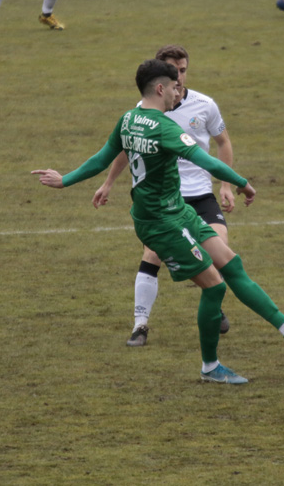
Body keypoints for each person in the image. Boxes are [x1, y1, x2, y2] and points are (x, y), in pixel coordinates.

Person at [33, 60, 284, 385]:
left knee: (231, 263)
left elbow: (101, 158)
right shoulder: (165, 128)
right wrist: (243, 183)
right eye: (176, 87)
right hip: (162, 224)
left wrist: (65, 180)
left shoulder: (128, 119)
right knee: (215, 287)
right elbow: (207, 161)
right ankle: (210, 367)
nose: (179, 92)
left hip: (178, 211)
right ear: (161, 88)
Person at [92, 45, 235, 348]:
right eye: (174, 71)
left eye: (183, 70)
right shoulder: (146, 110)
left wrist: (225, 185)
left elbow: (223, 142)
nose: (179, 77)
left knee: (220, 250)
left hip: (200, 195)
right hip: (164, 201)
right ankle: (140, 325)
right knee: (151, 255)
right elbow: (126, 148)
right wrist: (108, 183)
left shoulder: (205, 105)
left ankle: (215, 303)